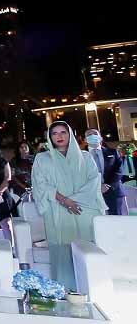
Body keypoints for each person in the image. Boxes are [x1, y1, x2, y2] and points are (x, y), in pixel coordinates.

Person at [31, 122, 105, 290]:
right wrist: (65, 200)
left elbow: (94, 181)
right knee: (62, 250)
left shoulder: (85, 157)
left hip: (84, 210)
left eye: (63, 132)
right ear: (50, 137)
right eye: (54, 133)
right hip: (58, 210)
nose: (59, 136)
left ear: (70, 134)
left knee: (86, 249)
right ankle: (64, 290)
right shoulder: (42, 159)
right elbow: (40, 184)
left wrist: (75, 201)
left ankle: (92, 289)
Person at [84, 129, 127, 216]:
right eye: (89, 134)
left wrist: (107, 185)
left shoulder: (113, 152)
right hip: (91, 193)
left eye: (95, 133)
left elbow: (119, 171)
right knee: (94, 221)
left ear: (101, 138)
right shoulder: (80, 155)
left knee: (116, 220)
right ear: (85, 140)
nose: (92, 136)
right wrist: (96, 186)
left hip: (113, 192)